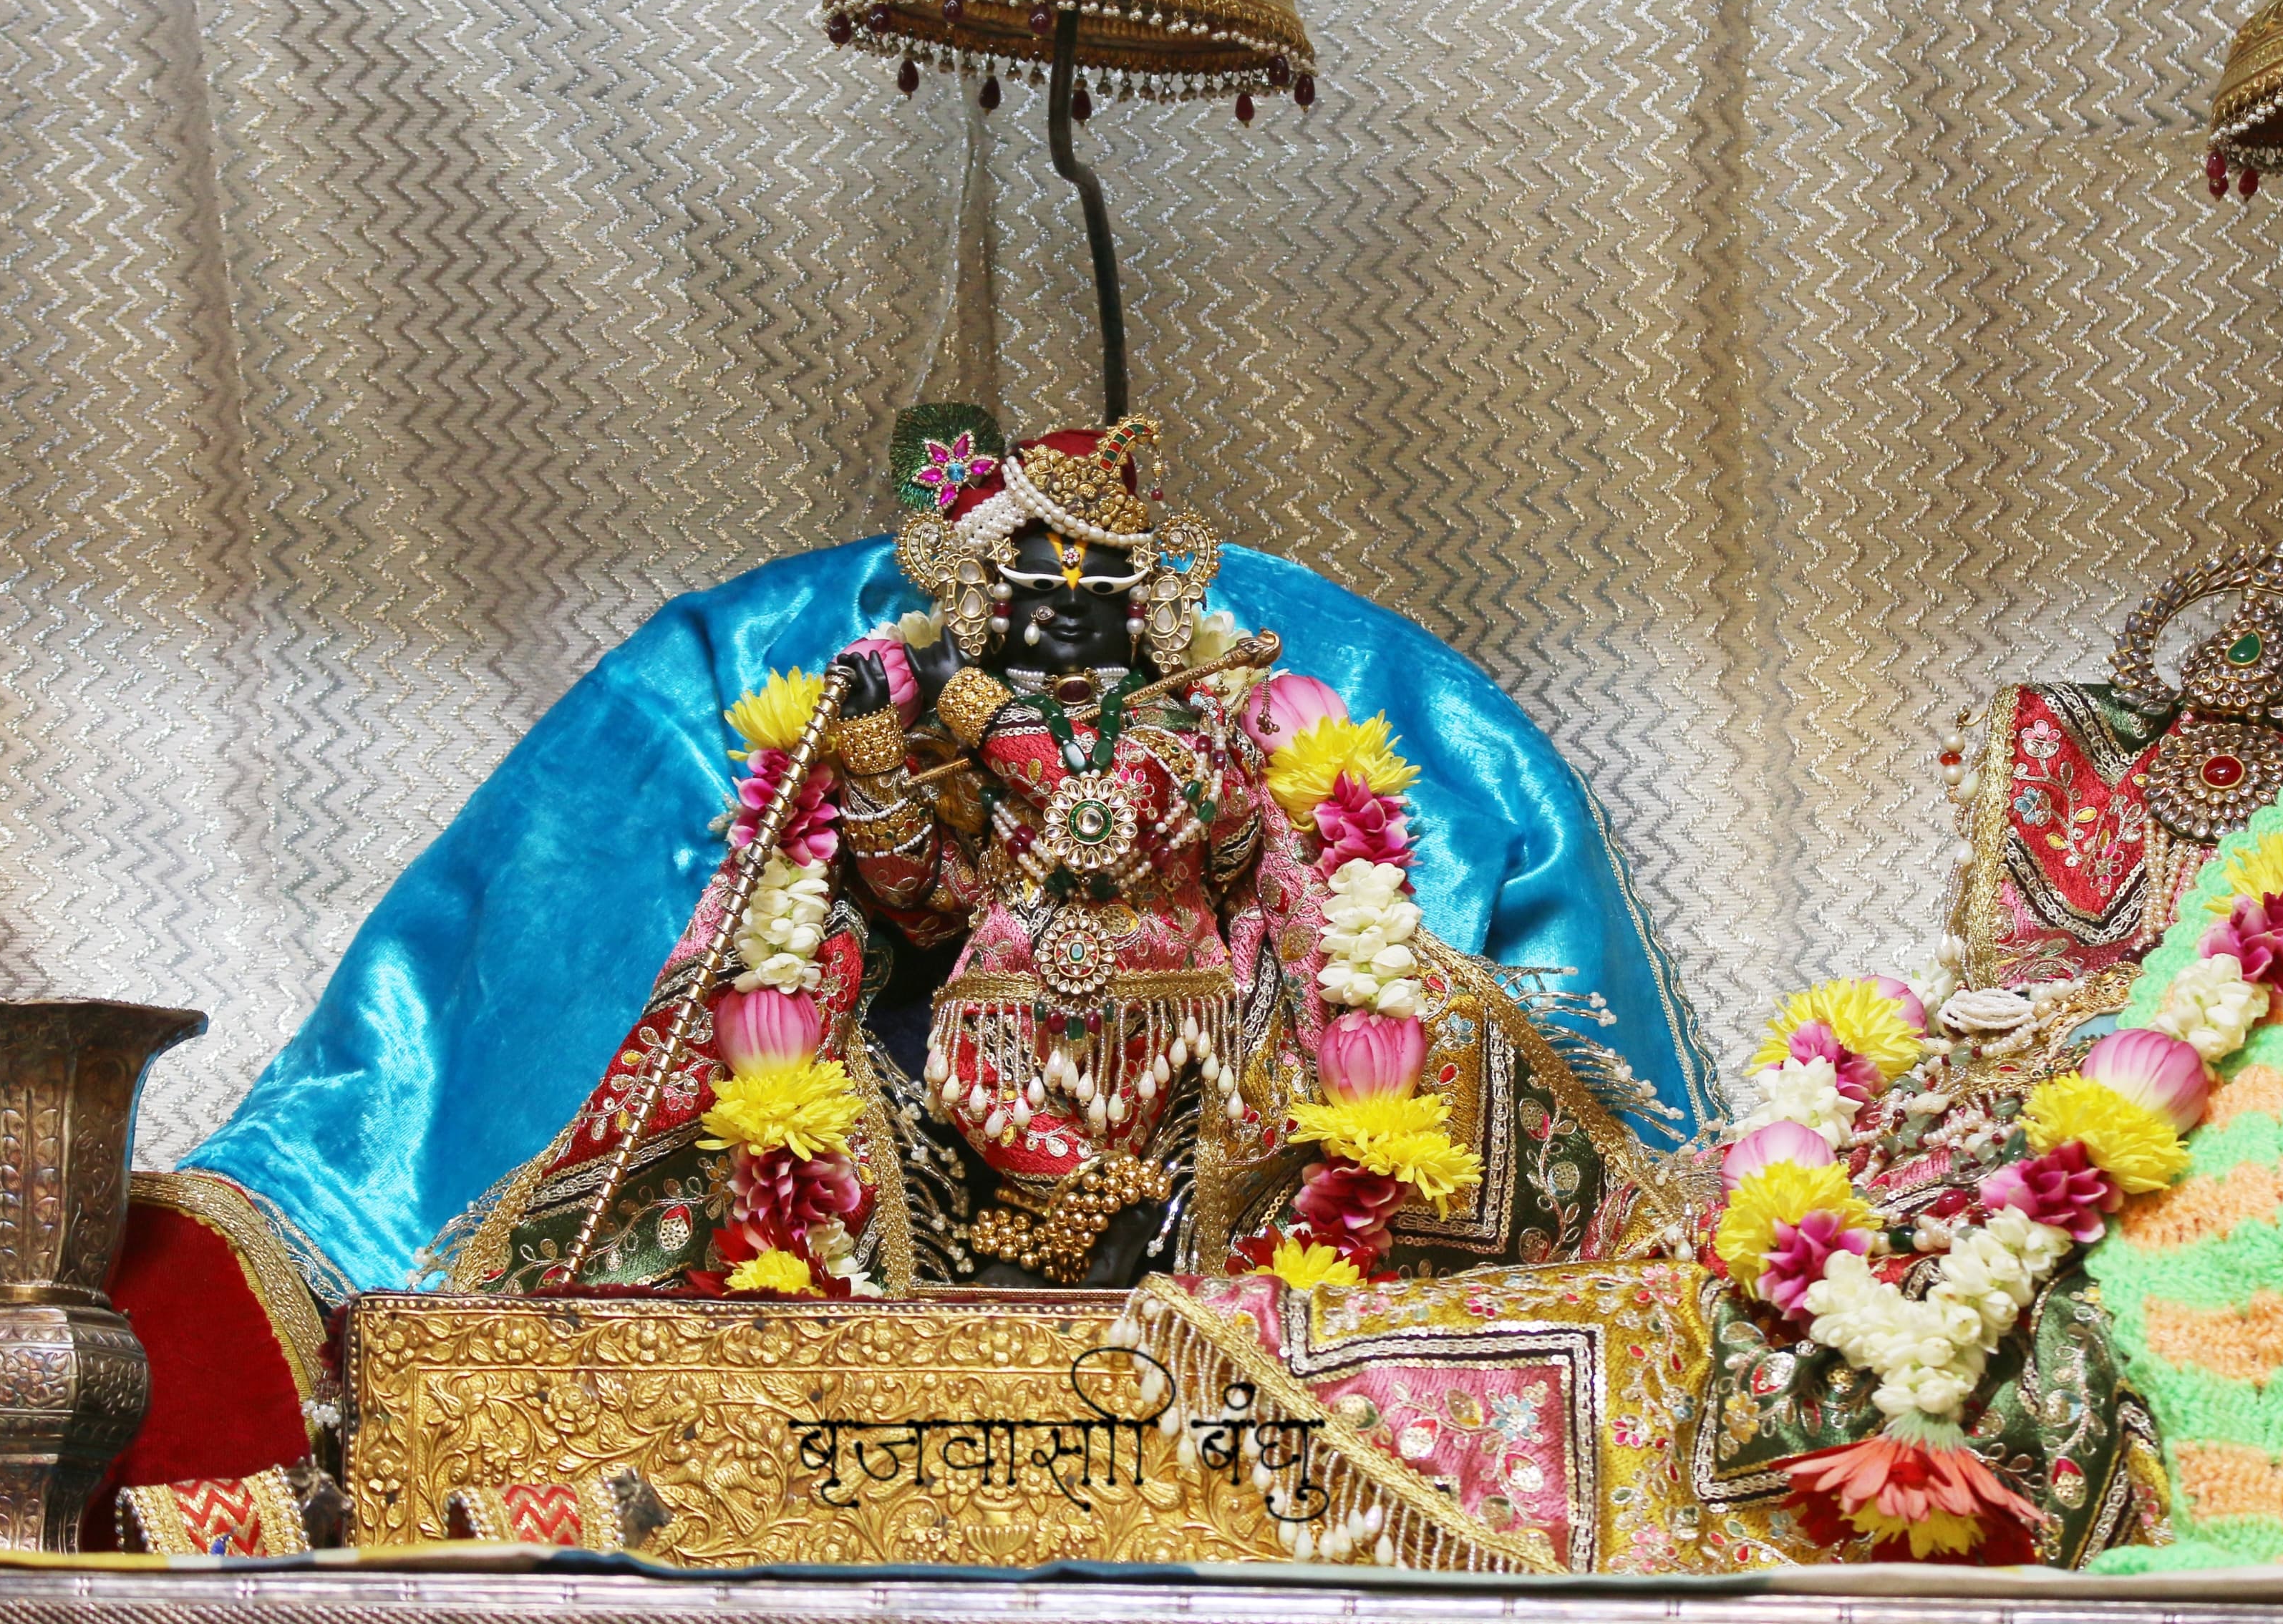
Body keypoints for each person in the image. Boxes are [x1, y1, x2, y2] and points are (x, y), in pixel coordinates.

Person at [434, 407, 1672, 1296]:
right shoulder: (967, 730)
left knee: (1183, 1181)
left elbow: (1159, 838)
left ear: (1146, 607)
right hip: (998, 1018)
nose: (1068, 600)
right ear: (993, 596)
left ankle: (1137, 1229)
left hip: (1179, 1018)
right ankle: (1091, 1221)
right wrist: (880, 772)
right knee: (981, 1125)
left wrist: (1017, 732)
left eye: (1097, 583)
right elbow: (930, 904)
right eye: (1041, 579)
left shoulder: (1191, 722)